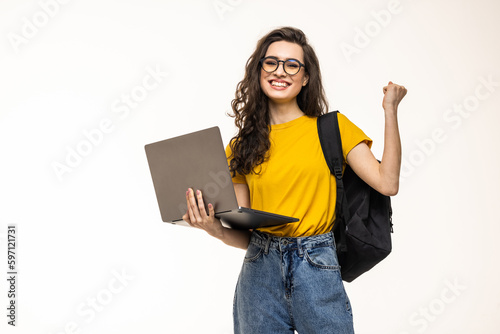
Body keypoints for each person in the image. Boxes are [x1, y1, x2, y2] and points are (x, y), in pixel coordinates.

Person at [182, 26, 406, 334]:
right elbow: (247, 233)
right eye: (271, 62)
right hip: (258, 275)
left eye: (292, 65)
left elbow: (387, 182)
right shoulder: (239, 148)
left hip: (317, 267)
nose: (280, 71)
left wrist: (390, 110)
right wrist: (214, 229)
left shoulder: (332, 128)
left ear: (305, 78)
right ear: (258, 71)